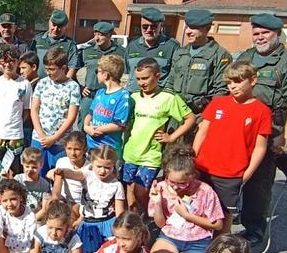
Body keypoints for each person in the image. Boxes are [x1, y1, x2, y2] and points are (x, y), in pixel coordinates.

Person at [235, 14, 287, 246]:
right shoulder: (246, 57)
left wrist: (285, 137)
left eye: (265, 33)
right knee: (233, 172)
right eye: (256, 33)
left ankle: (254, 229)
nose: (260, 38)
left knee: (259, 179)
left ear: (277, 33)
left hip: (270, 127)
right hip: (240, 125)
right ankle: (236, 213)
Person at [193, 60, 272, 234]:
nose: (232, 87)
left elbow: (260, 147)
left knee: (223, 215)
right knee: (198, 208)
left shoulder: (262, 111)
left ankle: (221, 249)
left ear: (252, 80)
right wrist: (194, 158)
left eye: (237, 82)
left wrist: (246, 175)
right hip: (203, 168)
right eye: (229, 83)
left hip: (231, 174)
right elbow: (202, 132)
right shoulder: (218, 103)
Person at [148, 145, 224, 253]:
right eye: (171, 181)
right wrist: (158, 203)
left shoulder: (205, 191)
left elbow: (218, 224)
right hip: (170, 236)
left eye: (182, 183)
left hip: (197, 242)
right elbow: (161, 224)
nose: (176, 186)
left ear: (192, 176)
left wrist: (188, 216)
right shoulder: (160, 187)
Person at [123, 58, 195, 213]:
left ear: (157, 76)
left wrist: (171, 137)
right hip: (131, 152)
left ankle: (155, 215)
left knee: (141, 190)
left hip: (151, 155)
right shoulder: (133, 97)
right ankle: (134, 220)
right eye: (138, 79)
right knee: (130, 189)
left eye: (145, 78)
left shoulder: (168, 97)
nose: (141, 82)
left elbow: (190, 118)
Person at [53, 144, 125, 253]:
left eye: (107, 167)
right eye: (99, 166)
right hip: (87, 223)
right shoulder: (87, 175)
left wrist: (121, 231)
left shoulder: (116, 185)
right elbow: (73, 174)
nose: (103, 171)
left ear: (113, 166)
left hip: (107, 224)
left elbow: (120, 213)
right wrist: (62, 171)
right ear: (92, 163)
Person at [164, 8, 231, 116]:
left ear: (207, 28)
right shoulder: (180, 53)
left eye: (193, 28)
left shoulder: (220, 55)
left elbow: (222, 91)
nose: (187, 32)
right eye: (187, 27)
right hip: (175, 113)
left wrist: (207, 118)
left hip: (200, 116)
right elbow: (170, 82)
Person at [30, 48, 81, 176]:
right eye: (47, 69)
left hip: (59, 142)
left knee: (57, 175)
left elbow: (71, 117)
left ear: (63, 68)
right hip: (39, 139)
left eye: (52, 69)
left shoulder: (73, 87)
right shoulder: (42, 83)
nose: (48, 73)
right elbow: (34, 110)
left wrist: (54, 138)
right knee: (37, 174)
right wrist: (42, 135)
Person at [0, 45, 32, 174]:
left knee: (14, 168)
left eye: (11, 61)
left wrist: (16, 124)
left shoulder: (25, 84)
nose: (8, 64)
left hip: (15, 134)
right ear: (0, 63)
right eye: (5, 61)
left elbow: (26, 109)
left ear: (18, 62)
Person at [78, 22, 127, 127]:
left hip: (110, 97)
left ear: (109, 35)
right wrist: (80, 87)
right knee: (83, 126)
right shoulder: (87, 51)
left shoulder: (121, 52)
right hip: (90, 96)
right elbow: (72, 68)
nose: (97, 38)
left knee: (106, 126)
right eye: (95, 34)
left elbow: (129, 74)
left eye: (100, 35)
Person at [83, 54, 130, 154]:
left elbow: (119, 124)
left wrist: (96, 129)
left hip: (109, 149)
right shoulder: (100, 92)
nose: (96, 74)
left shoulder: (123, 96)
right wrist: (86, 127)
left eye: (98, 71)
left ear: (106, 75)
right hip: (91, 145)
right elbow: (90, 113)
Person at [125, 7, 179, 92]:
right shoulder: (132, 46)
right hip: (134, 98)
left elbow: (175, 76)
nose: (149, 30)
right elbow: (128, 73)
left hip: (158, 99)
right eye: (145, 27)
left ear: (161, 26)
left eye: (153, 27)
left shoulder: (172, 47)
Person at [48, 132, 89, 226]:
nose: (73, 153)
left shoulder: (89, 166)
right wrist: (55, 202)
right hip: (64, 200)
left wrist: (80, 219)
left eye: (77, 149)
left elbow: (78, 175)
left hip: (80, 203)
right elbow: (57, 187)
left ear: (85, 149)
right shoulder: (62, 162)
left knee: (73, 211)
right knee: (49, 202)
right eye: (69, 149)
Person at [0, 13, 33, 82]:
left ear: (14, 28)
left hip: (15, 83)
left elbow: (28, 66)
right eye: (4, 26)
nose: (6, 29)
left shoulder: (23, 47)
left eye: (9, 26)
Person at [32, 10, 80, 79]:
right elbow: (29, 62)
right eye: (54, 25)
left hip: (58, 86)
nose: (56, 29)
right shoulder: (37, 40)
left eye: (60, 27)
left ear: (65, 26)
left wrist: (64, 84)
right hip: (37, 84)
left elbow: (73, 67)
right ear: (49, 23)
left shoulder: (70, 44)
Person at [13, 147, 51, 217]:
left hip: (36, 217)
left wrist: (32, 221)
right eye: (27, 166)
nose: (30, 170)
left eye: (34, 167)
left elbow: (44, 209)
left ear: (41, 165)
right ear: (22, 164)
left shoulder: (45, 184)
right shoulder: (18, 180)